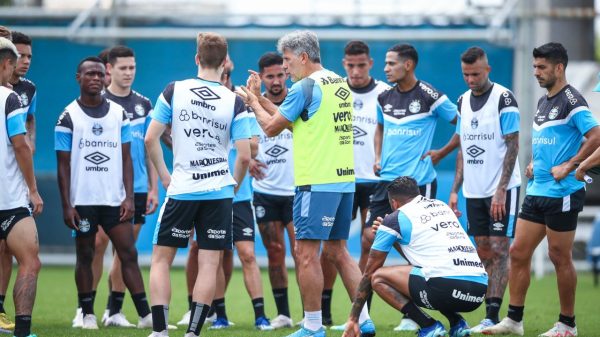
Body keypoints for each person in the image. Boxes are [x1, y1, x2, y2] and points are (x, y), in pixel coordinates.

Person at [237, 29, 375, 337]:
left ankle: (312, 326)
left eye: (287, 60)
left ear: (302, 56)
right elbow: (294, 122)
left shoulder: (304, 86)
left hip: (316, 182)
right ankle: (363, 321)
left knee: (306, 253)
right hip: (343, 182)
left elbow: (271, 128)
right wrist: (260, 99)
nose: (285, 68)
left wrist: (251, 101)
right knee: (339, 251)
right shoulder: (338, 83)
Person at [483, 42, 600, 337]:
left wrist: (573, 165)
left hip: (563, 192)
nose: (536, 72)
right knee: (518, 252)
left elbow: (596, 135)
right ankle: (514, 321)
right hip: (537, 190)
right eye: (534, 67)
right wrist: (536, 161)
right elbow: (550, 139)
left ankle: (567, 325)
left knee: (559, 257)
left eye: (541, 67)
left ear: (559, 68)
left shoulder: (573, 100)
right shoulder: (544, 100)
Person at [145, 32, 251, 337]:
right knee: (209, 263)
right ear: (224, 63)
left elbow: (150, 138)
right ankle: (193, 333)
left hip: (181, 188)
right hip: (219, 192)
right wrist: (233, 186)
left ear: (197, 59)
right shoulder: (235, 101)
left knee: (161, 260)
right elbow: (244, 156)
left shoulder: (173, 91)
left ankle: (161, 331)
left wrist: (165, 176)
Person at [55, 56, 152, 330]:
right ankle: (87, 314)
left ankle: (145, 314)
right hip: (83, 202)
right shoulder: (67, 116)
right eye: (90, 74)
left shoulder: (118, 114)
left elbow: (127, 159)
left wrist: (129, 197)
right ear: (79, 78)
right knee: (85, 255)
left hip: (114, 201)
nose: (96, 78)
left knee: (128, 253)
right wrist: (66, 205)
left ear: (105, 76)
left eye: (99, 74)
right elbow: (62, 166)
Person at [372, 43, 460, 332]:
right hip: (387, 183)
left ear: (407, 65)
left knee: (419, 251)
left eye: (390, 63)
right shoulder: (384, 96)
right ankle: (365, 315)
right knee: (368, 238)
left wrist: (442, 152)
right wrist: (377, 156)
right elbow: (380, 127)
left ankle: (436, 317)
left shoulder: (430, 95)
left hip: (418, 185)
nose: (385, 69)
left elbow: (464, 122)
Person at [341, 176, 488, 337]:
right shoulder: (441, 206)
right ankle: (457, 323)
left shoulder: (394, 218)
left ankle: (429, 326)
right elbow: (418, 259)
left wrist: (353, 319)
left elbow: (369, 273)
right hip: (478, 291)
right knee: (432, 272)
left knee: (378, 277)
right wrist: (394, 237)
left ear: (394, 203)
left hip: (447, 288)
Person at [447, 46, 521, 333]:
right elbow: (464, 148)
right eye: (466, 74)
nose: (470, 79)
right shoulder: (463, 100)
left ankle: (492, 314)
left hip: (501, 190)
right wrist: (455, 189)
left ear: (487, 70)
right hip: (474, 192)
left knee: (501, 248)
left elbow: (513, 144)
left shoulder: (504, 98)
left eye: (475, 74)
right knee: (483, 249)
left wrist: (501, 190)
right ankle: (486, 312)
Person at [323, 40, 390, 328]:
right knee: (329, 247)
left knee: (368, 242)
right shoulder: (333, 91)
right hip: (339, 177)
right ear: (343, 65)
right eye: (350, 65)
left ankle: (362, 314)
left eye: (361, 65)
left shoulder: (386, 93)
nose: (356, 70)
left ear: (370, 64)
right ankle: (324, 313)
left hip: (375, 181)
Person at [97, 45, 158, 327]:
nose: (128, 73)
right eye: (123, 68)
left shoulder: (143, 105)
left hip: (139, 188)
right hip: (105, 189)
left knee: (125, 250)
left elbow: (149, 149)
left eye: (132, 67)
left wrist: (155, 188)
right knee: (96, 246)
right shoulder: (97, 103)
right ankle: (83, 309)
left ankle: (114, 311)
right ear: (109, 69)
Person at [250, 52, 296, 329]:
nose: (276, 81)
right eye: (270, 76)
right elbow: (241, 140)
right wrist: (249, 157)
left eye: (281, 74)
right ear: (262, 78)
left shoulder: (298, 101)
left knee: (302, 253)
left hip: (296, 191)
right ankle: (283, 314)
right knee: (275, 253)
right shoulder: (250, 106)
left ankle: (311, 315)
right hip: (265, 192)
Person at [0, 36, 42, 337]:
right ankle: (23, 332)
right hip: (11, 198)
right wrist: (34, 188)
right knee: (29, 262)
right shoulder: (9, 98)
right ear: (5, 65)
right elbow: (21, 145)